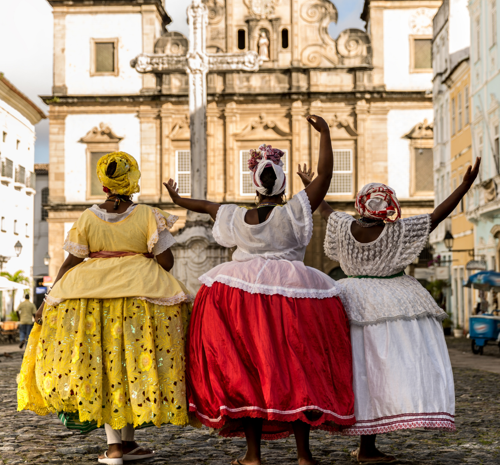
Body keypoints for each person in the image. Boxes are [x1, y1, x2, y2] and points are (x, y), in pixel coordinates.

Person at [164, 115, 355, 465]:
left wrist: (177, 198)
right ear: (282, 187)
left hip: (239, 297)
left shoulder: (235, 216)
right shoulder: (294, 210)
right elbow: (325, 177)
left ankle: (253, 455)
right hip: (294, 295)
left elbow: (203, 206)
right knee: (300, 368)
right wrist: (326, 133)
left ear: (255, 187)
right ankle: (304, 455)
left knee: (249, 370)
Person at [297, 158, 481, 464]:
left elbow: (324, 210)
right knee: (383, 370)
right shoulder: (400, 232)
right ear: (389, 208)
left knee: (354, 371)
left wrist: (308, 183)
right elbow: (437, 215)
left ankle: (357, 441)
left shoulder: (344, 227)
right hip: (392, 301)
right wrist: (464, 186)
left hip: (348, 300)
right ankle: (368, 446)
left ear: (360, 206)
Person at [17, 152, 194, 465]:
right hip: (140, 300)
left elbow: (71, 261)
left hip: (90, 299)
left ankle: (118, 446)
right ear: (133, 179)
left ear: (104, 184)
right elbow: (166, 261)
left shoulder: (87, 217)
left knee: (105, 367)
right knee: (129, 368)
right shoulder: (149, 215)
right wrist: (139, 256)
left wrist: (50, 297)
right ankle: (126, 443)